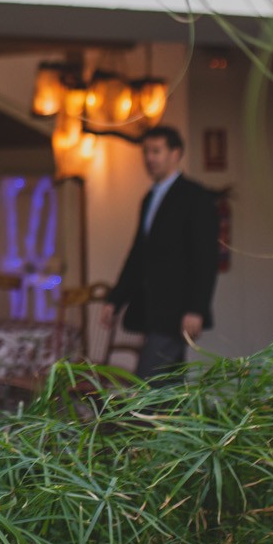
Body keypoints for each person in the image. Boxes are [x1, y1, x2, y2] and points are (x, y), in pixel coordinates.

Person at [107, 125, 222, 380]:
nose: (149, 158)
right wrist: (115, 300)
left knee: (147, 384)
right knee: (168, 388)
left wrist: (197, 308)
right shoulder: (149, 199)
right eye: (146, 151)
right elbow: (139, 256)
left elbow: (205, 257)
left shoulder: (195, 196)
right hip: (152, 309)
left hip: (177, 311)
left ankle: (139, 422)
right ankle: (174, 421)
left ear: (175, 153)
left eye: (156, 151)